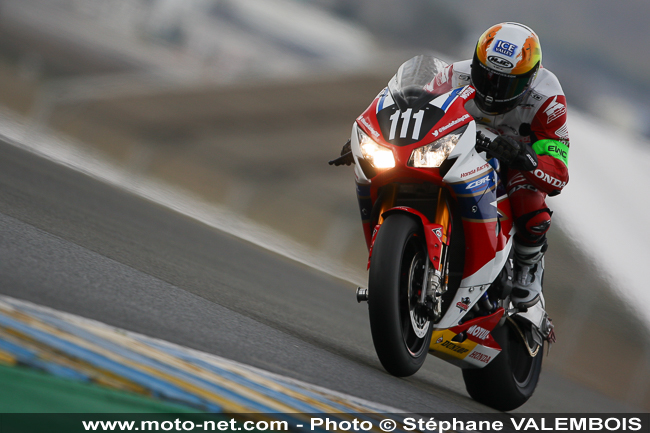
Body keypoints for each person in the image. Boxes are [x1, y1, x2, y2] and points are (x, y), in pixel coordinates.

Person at [433, 22, 569, 313]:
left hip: (511, 163)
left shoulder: (548, 99)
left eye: (506, 83)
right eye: (486, 76)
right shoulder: (453, 75)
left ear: (530, 79)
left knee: (530, 203)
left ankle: (527, 267)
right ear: (475, 63)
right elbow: (414, 111)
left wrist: (527, 159)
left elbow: (558, 173)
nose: (492, 91)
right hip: (454, 149)